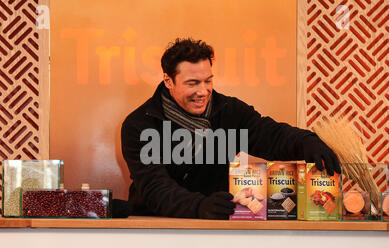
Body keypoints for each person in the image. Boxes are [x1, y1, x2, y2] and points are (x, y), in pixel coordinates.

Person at [117, 38, 340, 219]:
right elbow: (156, 188)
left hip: (219, 227)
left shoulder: (229, 111)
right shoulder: (139, 125)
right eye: (192, 83)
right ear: (168, 81)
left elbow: (270, 135)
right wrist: (199, 206)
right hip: (154, 227)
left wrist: (308, 141)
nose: (203, 91)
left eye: (208, 81)